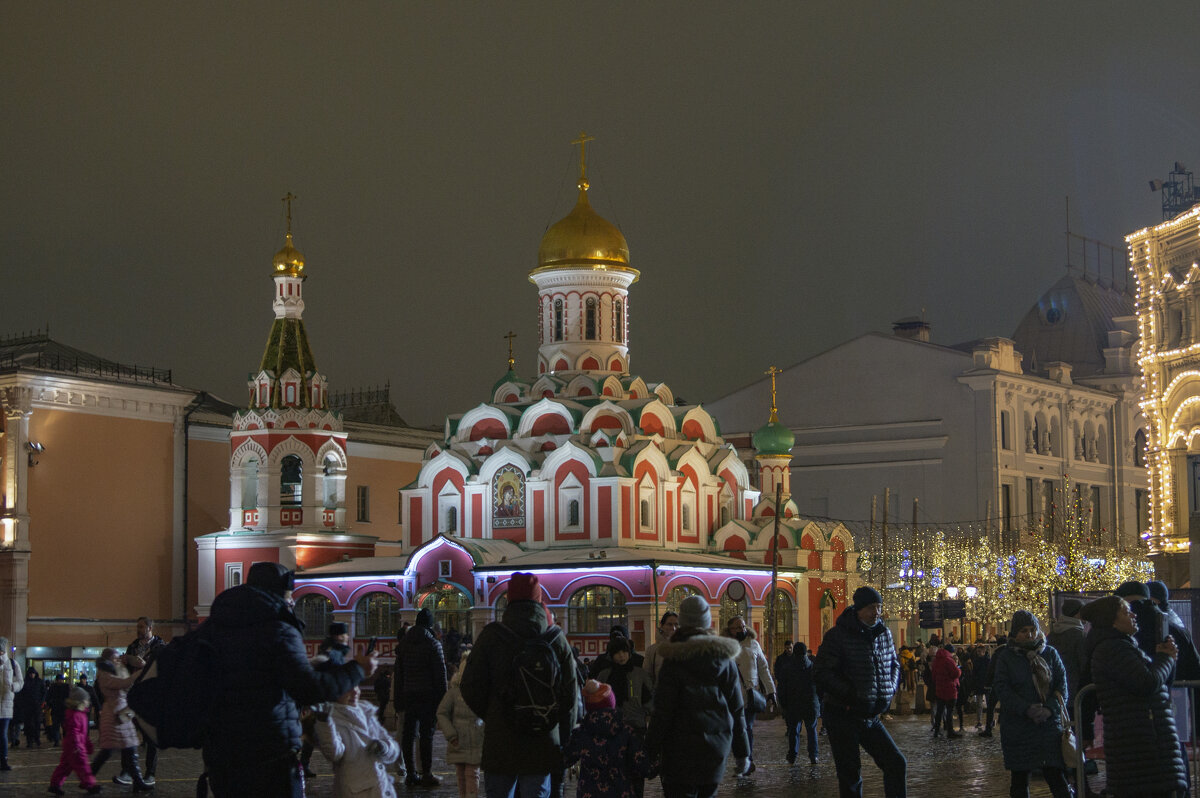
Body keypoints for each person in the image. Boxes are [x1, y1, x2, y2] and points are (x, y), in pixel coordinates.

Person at [202, 561, 375, 798]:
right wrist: (358, 670)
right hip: (269, 755)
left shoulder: (214, 627)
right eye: (290, 596)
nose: (292, 601)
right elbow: (308, 689)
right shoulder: (278, 630)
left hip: (222, 756)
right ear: (279, 592)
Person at [460, 572, 579, 798]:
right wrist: (560, 734)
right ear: (539, 599)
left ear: (509, 600)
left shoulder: (492, 636)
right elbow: (570, 695)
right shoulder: (556, 639)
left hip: (501, 741)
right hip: (543, 740)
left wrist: (494, 712)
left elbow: (470, 685)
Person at [1079, 595, 1186, 797]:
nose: (1134, 615)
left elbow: (1158, 684)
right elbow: (1147, 683)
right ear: (1111, 620)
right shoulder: (1112, 648)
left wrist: (1167, 658)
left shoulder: (1123, 646)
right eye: (1126, 612)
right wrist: (1165, 658)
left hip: (1146, 743)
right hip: (1141, 747)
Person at [645, 594, 749, 798]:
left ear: (682, 622)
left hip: (678, 753)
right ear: (707, 621)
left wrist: (649, 750)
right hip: (714, 751)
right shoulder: (724, 659)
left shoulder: (673, 660)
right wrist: (742, 753)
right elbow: (737, 709)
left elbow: (662, 712)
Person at [813, 585, 906, 798]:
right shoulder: (838, 635)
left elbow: (894, 665)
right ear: (859, 609)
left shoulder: (883, 634)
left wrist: (889, 689)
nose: (877, 612)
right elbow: (821, 672)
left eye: (879, 607)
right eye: (872, 607)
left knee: (895, 762)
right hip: (842, 714)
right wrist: (851, 695)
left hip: (871, 715)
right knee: (850, 775)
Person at [992, 610, 1071, 798]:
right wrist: (1026, 709)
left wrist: (1049, 709)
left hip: (1049, 727)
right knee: (1020, 780)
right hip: (1019, 728)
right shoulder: (1006, 656)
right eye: (1023, 631)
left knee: (1056, 777)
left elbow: (1062, 685)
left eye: (1032, 629)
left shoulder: (1050, 653)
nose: (1029, 634)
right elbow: (1003, 689)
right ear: (1014, 634)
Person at [564, 679, 654, 798]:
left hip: (589, 792)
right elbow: (643, 766)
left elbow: (564, 759)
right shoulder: (626, 731)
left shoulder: (581, 733)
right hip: (621, 792)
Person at [315, 676, 401, 798]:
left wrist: (385, 747)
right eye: (348, 688)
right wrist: (325, 724)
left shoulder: (366, 712)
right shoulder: (332, 719)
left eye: (356, 686)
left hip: (381, 787)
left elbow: (392, 746)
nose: (355, 691)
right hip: (356, 791)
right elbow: (334, 753)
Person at [395, 607, 448, 788]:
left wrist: (398, 699)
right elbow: (440, 675)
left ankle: (410, 774)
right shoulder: (433, 644)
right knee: (427, 735)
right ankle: (426, 773)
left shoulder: (403, 644)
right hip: (428, 697)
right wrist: (443, 703)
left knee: (408, 735)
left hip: (409, 694)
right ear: (430, 624)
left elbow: (399, 674)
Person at [596, 636, 653, 798]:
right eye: (617, 652)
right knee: (614, 774)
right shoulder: (605, 675)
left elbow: (649, 700)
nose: (621, 656)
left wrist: (647, 712)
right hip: (612, 731)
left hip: (636, 729)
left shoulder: (639, 674)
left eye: (624, 652)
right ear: (611, 655)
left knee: (636, 773)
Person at [90, 647, 152, 792]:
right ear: (108, 660)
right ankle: (88, 778)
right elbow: (123, 684)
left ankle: (137, 781)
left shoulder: (116, 671)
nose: (118, 660)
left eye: (118, 658)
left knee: (130, 749)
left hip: (122, 713)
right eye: (115, 658)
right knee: (108, 751)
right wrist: (140, 672)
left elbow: (126, 684)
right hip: (113, 716)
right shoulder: (105, 675)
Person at [724, 615, 775, 775]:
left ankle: (748, 760)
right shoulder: (723, 647)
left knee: (746, 728)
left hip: (749, 694)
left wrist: (771, 691)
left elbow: (763, 668)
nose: (742, 630)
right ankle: (742, 759)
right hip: (729, 696)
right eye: (737, 627)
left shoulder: (754, 644)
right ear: (730, 630)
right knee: (734, 730)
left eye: (743, 626)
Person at [121, 616, 165, 785]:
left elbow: (163, 669)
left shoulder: (160, 647)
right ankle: (126, 771)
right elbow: (127, 671)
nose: (137, 630)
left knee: (150, 737)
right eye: (137, 627)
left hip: (152, 696)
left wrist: (144, 665)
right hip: (133, 694)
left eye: (140, 627)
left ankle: (150, 774)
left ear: (149, 628)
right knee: (127, 733)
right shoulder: (132, 646)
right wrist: (125, 662)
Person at [436, 650, 484, 798]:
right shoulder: (459, 692)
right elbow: (442, 713)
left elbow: (442, 713)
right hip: (464, 739)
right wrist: (451, 734)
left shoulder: (456, 692)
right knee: (464, 774)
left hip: (464, 739)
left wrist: (451, 734)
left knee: (469, 774)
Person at [48, 686, 100, 795]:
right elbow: (74, 732)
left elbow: (83, 733)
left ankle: (55, 784)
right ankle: (89, 785)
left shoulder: (79, 714)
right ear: (80, 702)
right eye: (86, 700)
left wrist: (87, 744)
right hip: (75, 746)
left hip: (73, 745)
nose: (88, 702)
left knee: (65, 766)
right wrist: (78, 746)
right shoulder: (76, 715)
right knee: (83, 765)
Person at [776, 640, 819, 765]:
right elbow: (820, 686)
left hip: (793, 704)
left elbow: (782, 688)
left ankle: (793, 755)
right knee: (811, 730)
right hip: (810, 704)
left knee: (794, 730)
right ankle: (813, 755)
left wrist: (783, 704)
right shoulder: (812, 667)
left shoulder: (787, 668)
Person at [1046, 599, 1086, 713]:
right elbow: (1083, 664)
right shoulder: (1079, 635)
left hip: (1055, 690)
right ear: (1077, 613)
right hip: (1076, 690)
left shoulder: (1053, 634)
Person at [930, 642, 961, 738]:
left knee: (939, 711)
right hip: (950, 689)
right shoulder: (949, 660)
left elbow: (933, 676)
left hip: (939, 689)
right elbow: (956, 673)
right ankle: (950, 731)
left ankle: (937, 730)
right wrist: (960, 670)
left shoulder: (936, 660)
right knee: (949, 711)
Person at [0, 637, 21, 771]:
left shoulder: (12, 664)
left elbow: (20, 681)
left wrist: (14, 686)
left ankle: (3, 760)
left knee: (2, 733)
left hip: (6, 705)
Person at [642, 611, 679, 686]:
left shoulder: (686, 647)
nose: (673, 628)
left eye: (676, 624)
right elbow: (647, 675)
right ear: (662, 626)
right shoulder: (652, 650)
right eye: (669, 624)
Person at [17, 666, 45, 748]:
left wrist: (41, 701)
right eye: (31, 674)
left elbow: (44, 692)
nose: (32, 675)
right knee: (29, 724)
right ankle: (29, 741)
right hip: (28, 706)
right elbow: (21, 694)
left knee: (37, 724)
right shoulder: (25, 682)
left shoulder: (39, 682)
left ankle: (37, 739)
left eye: (33, 673)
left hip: (37, 706)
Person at [45, 673, 70, 747]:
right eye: (59, 680)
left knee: (64, 726)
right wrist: (49, 704)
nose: (60, 681)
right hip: (55, 709)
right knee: (55, 726)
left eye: (61, 680)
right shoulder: (53, 687)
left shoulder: (66, 687)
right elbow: (48, 697)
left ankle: (65, 740)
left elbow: (69, 697)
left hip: (63, 709)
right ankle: (56, 740)